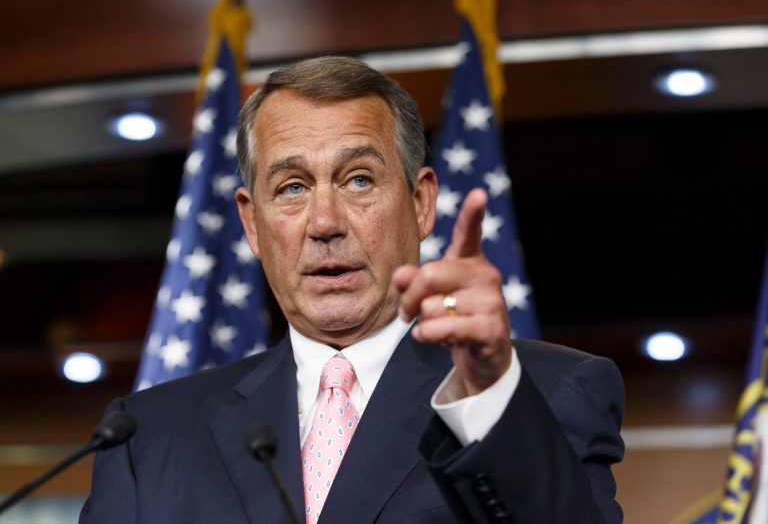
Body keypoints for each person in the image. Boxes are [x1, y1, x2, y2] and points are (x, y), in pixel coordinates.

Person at [81, 56, 624, 523]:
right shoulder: (145, 437)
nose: (324, 222)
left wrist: (487, 399)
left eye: (359, 179)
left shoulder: (546, 395)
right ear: (252, 223)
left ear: (420, 202)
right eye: (292, 188)